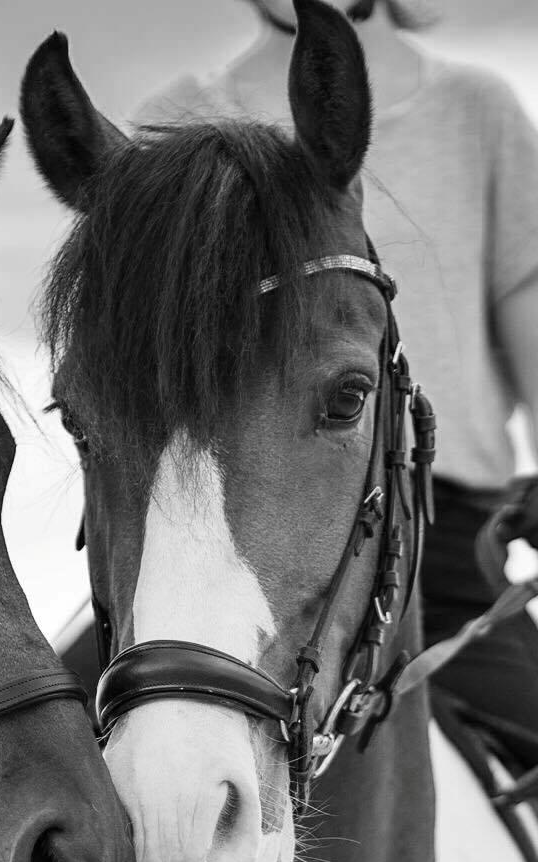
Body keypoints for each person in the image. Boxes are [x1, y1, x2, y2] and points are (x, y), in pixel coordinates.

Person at [134, 0, 538, 742]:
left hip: (440, 550)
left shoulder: (477, 110)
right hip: (208, 538)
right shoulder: (171, 119)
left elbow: (527, 299)